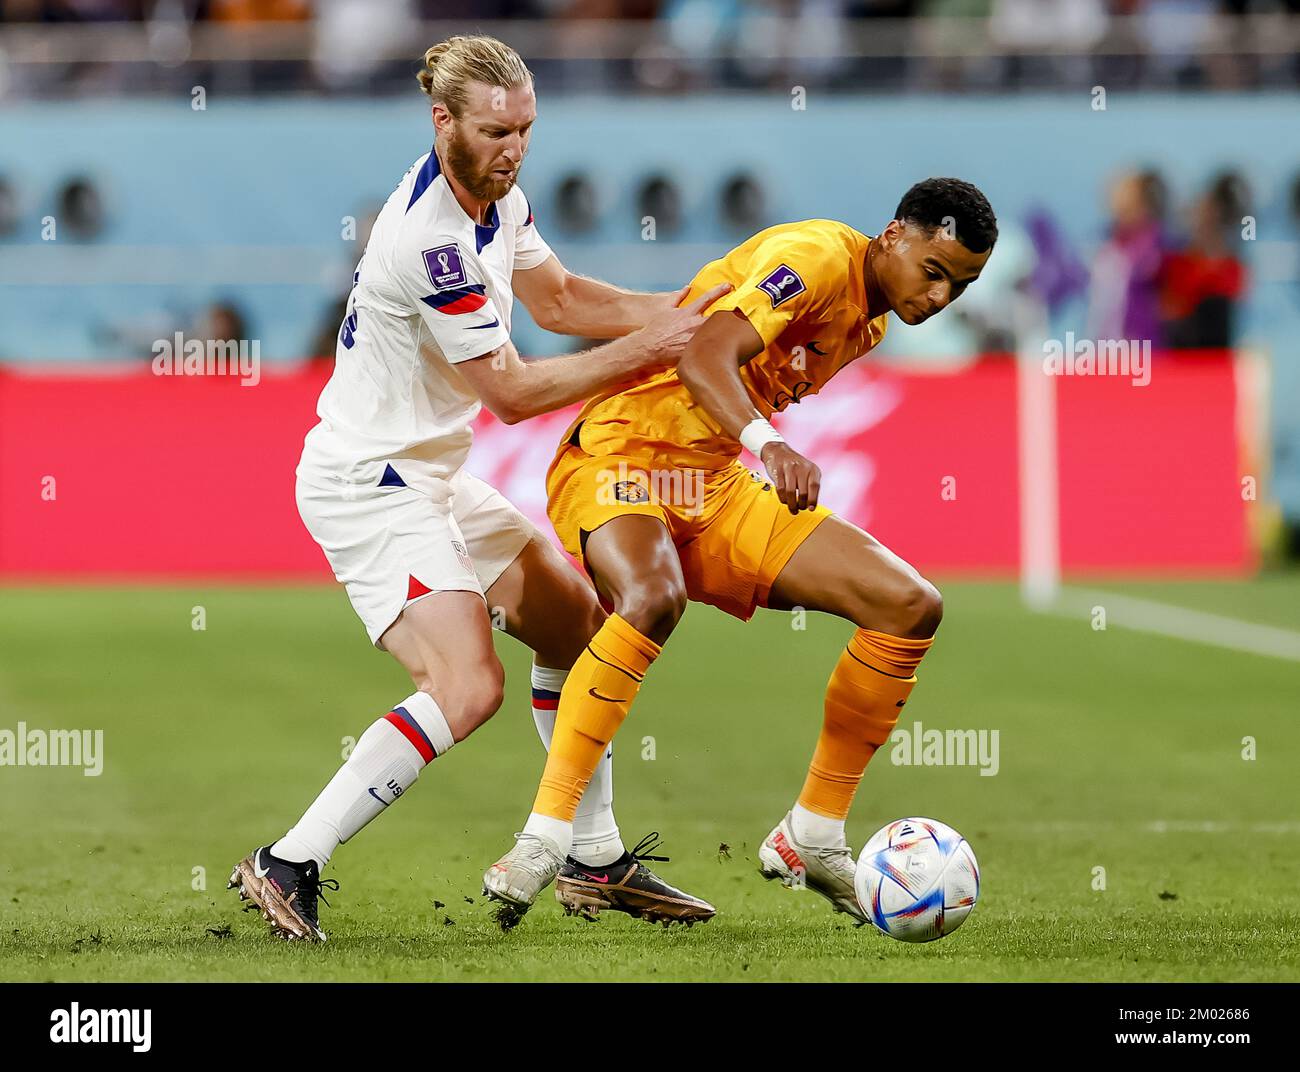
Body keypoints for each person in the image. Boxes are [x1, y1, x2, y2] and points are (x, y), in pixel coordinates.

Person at [229, 34, 724, 941]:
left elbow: (563, 300)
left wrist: (693, 313)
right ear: (442, 121)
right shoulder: (429, 243)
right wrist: (650, 352)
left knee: (579, 630)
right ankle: (288, 861)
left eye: (526, 129)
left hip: (430, 475)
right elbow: (511, 392)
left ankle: (594, 858)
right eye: (497, 130)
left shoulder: (500, 198)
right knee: (468, 686)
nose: (515, 148)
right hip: (369, 484)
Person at [484, 179, 996, 923]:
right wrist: (772, 443)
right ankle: (546, 837)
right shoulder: (816, 258)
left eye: (962, 285)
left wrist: (749, 449)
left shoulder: (867, 325)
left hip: (713, 484)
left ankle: (813, 834)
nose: (942, 296)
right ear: (893, 236)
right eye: (935, 270)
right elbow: (704, 358)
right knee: (652, 598)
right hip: (619, 460)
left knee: (908, 605)